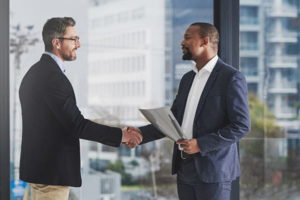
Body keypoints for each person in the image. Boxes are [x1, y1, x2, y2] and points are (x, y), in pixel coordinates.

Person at [19, 17, 142, 200]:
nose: (79, 44)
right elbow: (77, 125)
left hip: (42, 174)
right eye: (74, 39)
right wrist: (122, 135)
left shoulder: (36, 72)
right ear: (57, 43)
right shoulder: (52, 77)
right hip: (52, 177)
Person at [127, 22, 250, 200]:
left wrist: (200, 144)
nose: (182, 43)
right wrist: (140, 134)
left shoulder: (231, 77)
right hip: (185, 168)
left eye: (187, 38)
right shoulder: (187, 78)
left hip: (213, 171)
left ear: (204, 41)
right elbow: (173, 120)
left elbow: (241, 126)